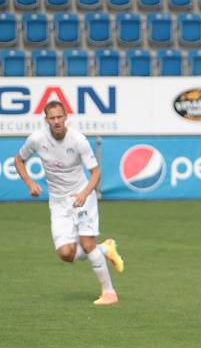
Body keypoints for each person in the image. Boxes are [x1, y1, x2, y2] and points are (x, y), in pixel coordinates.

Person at [14, 101, 124, 306]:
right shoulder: (37, 139)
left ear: (66, 118)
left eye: (59, 117)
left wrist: (84, 193)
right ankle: (106, 249)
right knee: (65, 253)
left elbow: (95, 172)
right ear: (45, 119)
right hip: (57, 203)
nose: (56, 121)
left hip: (81, 197)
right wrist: (29, 182)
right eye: (52, 118)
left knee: (87, 244)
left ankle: (109, 293)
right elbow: (18, 160)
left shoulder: (78, 140)